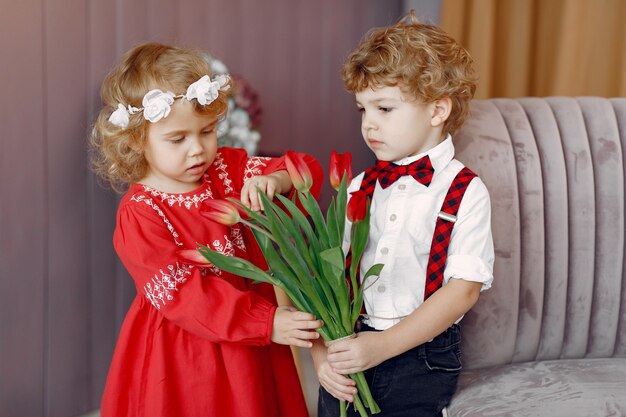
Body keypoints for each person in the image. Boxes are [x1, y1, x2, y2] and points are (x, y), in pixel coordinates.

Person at [90, 42, 324, 417]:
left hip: (252, 337)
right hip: (185, 348)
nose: (198, 149)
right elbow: (184, 294)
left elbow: (307, 168)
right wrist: (266, 321)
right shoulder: (141, 212)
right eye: (178, 139)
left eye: (207, 131)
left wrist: (276, 181)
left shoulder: (226, 171)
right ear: (137, 139)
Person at [313, 12, 494, 417]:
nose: (368, 124)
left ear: (437, 110)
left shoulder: (465, 192)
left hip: (421, 358)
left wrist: (382, 346)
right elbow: (332, 281)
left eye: (385, 108)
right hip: (351, 342)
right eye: (363, 109)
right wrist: (322, 358)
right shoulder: (359, 187)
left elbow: (463, 289)